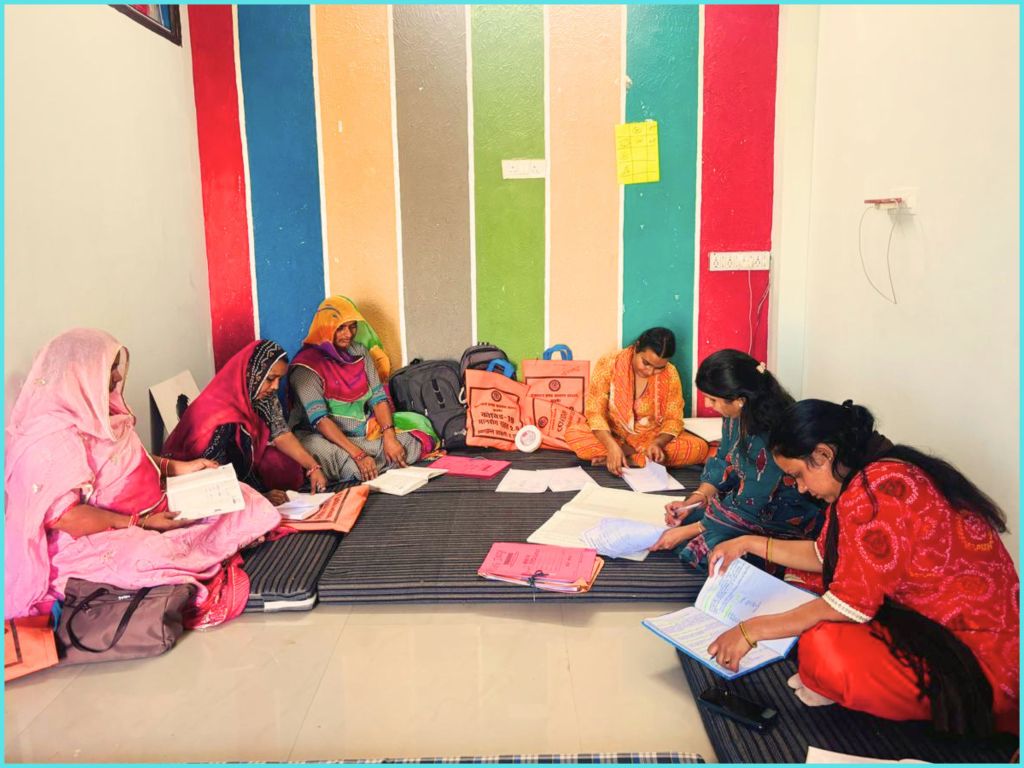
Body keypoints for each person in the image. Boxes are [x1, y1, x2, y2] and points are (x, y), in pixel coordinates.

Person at [705, 399, 1018, 736]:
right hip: (921, 620)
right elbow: (823, 555)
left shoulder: (875, 492)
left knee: (823, 648)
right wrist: (749, 543)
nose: (800, 487)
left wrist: (751, 630)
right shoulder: (872, 474)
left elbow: (850, 604)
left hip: (980, 659)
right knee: (808, 598)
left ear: (824, 455)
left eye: (798, 475)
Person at [4, 328, 281, 621]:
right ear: (81, 374)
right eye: (109, 368)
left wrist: (183, 468)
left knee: (240, 495)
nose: (118, 377)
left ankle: (206, 543)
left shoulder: (104, 414)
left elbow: (134, 462)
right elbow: (66, 518)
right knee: (147, 556)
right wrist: (143, 524)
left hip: (153, 505)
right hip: (100, 531)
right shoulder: (49, 440)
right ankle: (206, 545)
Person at [651, 349, 823, 570]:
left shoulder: (772, 433)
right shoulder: (736, 416)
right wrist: (696, 498)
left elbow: (755, 498)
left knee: (708, 549)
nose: (708, 405)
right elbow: (723, 460)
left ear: (740, 400)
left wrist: (692, 530)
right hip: (747, 501)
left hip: (778, 511)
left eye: (713, 399)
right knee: (688, 518)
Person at [288, 296, 438, 483]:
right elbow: (320, 420)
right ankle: (366, 467)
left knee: (408, 443)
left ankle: (371, 467)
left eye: (352, 326)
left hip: (363, 433)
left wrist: (389, 437)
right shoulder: (306, 366)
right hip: (325, 437)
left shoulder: (358, 352)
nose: (348, 334)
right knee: (329, 455)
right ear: (325, 327)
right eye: (340, 328)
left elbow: (378, 398)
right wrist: (359, 455)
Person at [163, 340, 328, 505]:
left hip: (238, 466)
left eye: (279, 379)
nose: (276, 386)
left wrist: (313, 467)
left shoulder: (260, 394)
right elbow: (214, 472)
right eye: (270, 378)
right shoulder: (218, 415)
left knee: (285, 465)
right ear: (251, 372)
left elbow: (281, 433)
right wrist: (258, 496)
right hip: (200, 477)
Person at [565, 328, 709, 475]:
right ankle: (633, 457)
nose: (650, 372)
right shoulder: (609, 363)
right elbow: (595, 411)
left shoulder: (670, 373)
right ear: (636, 347)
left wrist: (658, 443)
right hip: (615, 435)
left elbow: (673, 419)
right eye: (646, 363)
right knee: (574, 434)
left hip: (650, 438)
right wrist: (612, 446)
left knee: (699, 448)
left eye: (659, 368)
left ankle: (629, 459)